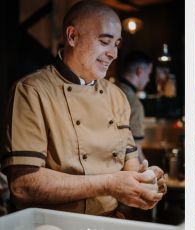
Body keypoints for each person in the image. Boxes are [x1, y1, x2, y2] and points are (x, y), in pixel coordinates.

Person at [0, 0, 166, 216]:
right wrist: (109, 184)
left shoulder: (117, 97)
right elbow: (23, 185)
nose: (113, 54)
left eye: (116, 44)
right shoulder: (31, 92)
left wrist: (146, 181)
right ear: (72, 37)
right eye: (105, 41)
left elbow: (130, 167)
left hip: (111, 223)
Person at [116, 51, 153, 163]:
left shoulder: (109, 91)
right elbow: (136, 150)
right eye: (148, 74)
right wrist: (151, 174)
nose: (148, 79)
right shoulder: (135, 104)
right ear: (139, 71)